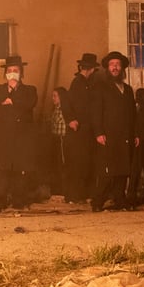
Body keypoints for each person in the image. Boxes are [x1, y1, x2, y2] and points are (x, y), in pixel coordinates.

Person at [0, 55, 38, 213]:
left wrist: (11, 98)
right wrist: (11, 95)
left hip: (21, 139)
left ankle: (19, 202)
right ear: (5, 74)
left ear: (21, 73)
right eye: (9, 70)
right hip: (1, 139)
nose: (12, 73)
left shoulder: (30, 90)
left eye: (16, 70)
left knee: (20, 171)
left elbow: (29, 102)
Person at [90, 51, 137, 212]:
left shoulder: (128, 90)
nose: (115, 67)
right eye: (112, 65)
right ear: (107, 68)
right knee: (106, 171)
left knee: (123, 170)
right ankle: (97, 202)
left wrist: (135, 134)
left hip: (125, 136)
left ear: (122, 68)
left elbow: (133, 114)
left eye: (118, 64)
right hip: (108, 136)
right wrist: (98, 133)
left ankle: (120, 200)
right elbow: (96, 112)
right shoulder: (101, 88)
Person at [63, 52, 99, 204]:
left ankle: (83, 195)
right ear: (90, 69)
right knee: (79, 163)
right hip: (79, 131)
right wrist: (71, 119)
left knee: (87, 162)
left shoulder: (88, 84)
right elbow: (67, 104)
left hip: (87, 130)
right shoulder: (77, 83)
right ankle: (75, 195)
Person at [48, 86, 69, 199]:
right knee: (56, 166)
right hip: (55, 139)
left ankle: (63, 191)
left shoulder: (64, 109)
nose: (53, 98)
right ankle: (57, 190)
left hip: (62, 140)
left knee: (62, 165)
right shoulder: (55, 109)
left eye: (55, 96)